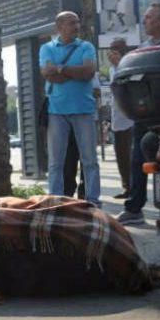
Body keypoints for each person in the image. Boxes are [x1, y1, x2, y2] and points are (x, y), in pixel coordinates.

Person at [117, 2, 160, 226]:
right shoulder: (142, 50)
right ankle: (134, 209)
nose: (144, 21)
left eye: (149, 17)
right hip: (146, 114)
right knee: (138, 160)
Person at [40, 12, 101, 207]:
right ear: (59, 27)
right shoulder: (47, 48)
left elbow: (88, 72)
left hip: (84, 109)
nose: (77, 26)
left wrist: (60, 68)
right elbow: (47, 74)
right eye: (71, 23)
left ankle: (92, 201)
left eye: (77, 22)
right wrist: (74, 71)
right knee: (55, 162)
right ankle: (56, 202)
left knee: (89, 160)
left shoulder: (86, 47)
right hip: (57, 111)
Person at [107, 38, 134, 199]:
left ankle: (134, 188)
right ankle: (126, 186)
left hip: (131, 117)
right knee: (121, 155)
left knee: (132, 154)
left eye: (116, 48)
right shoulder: (111, 69)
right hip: (117, 117)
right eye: (111, 48)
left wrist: (119, 65)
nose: (113, 51)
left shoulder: (130, 63)